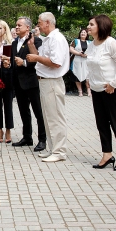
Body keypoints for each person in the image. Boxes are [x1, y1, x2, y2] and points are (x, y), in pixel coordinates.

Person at [85, 15, 116, 171]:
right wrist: (89, 79)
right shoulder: (92, 44)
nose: (88, 27)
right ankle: (107, 154)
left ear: (101, 26)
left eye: (91, 24)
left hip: (111, 91)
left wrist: (113, 84)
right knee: (101, 124)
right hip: (97, 90)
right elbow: (90, 64)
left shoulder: (111, 43)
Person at [26, 12, 69, 163]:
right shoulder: (48, 39)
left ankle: (60, 151)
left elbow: (55, 62)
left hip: (52, 81)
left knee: (56, 117)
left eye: (39, 22)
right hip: (44, 81)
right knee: (48, 117)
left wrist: (36, 58)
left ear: (48, 22)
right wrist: (31, 45)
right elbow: (39, 56)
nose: (38, 25)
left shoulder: (56, 39)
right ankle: (53, 149)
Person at [10, 17, 47, 152]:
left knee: (38, 111)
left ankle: (42, 139)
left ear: (27, 27)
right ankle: (27, 137)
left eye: (19, 25)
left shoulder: (36, 41)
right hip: (18, 83)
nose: (17, 27)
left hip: (32, 81)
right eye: (16, 25)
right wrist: (9, 63)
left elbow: (38, 60)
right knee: (23, 111)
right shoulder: (14, 43)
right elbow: (15, 61)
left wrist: (24, 63)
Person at [69, 28, 92, 97]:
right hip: (77, 60)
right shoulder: (75, 41)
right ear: (80, 33)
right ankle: (80, 91)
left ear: (87, 34)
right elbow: (71, 49)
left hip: (86, 61)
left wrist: (86, 55)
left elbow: (93, 51)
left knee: (88, 75)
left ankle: (89, 90)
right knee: (77, 75)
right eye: (82, 32)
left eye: (84, 32)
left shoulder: (90, 42)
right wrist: (79, 53)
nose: (83, 33)